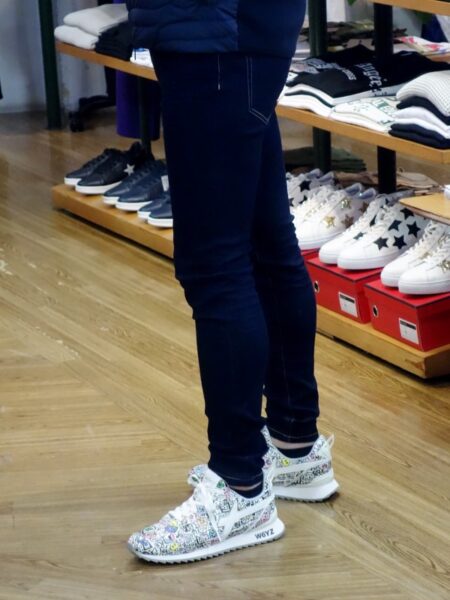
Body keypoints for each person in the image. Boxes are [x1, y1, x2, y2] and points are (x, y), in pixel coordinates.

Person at [126, 0, 339, 564]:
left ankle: (239, 485)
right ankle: (295, 448)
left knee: (214, 264)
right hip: (231, 26)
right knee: (265, 242)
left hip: (212, 28)